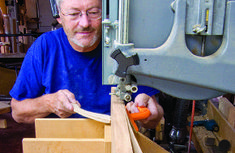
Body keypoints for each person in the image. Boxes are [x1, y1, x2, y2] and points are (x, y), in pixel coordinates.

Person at [10, 0, 163, 128]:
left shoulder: (124, 47)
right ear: (59, 16)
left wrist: (151, 113)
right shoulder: (44, 47)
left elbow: (153, 114)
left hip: (116, 141)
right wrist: (48, 103)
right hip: (61, 146)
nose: (85, 23)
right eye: (74, 14)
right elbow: (17, 112)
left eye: (93, 12)